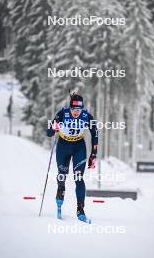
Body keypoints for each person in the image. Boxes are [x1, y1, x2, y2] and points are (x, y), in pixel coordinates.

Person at [46, 92, 98, 221]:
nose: (76, 112)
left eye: (79, 110)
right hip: (63, 146)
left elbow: (95, 134)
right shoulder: (62, 114)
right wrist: (54, 128)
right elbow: (48, 133)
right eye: (74, 109)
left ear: (82, 109)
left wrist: (93, 154)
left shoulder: (87, 117)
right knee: (62, 175)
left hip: (78, 147)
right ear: (70, 108)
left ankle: (80, 209)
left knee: (78, 178)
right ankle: (60, 189)